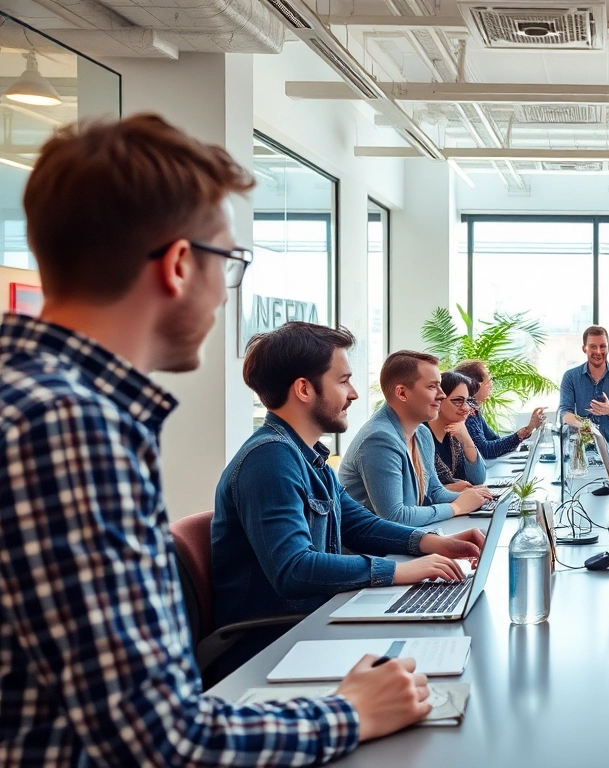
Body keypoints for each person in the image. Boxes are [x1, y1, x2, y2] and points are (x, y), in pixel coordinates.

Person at [0, 114, 430, 765]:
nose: (226, 296)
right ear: (178, 264)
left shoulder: (42, 402)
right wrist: (347, 714)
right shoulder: (69, 427)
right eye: (228, 263)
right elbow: (159, 739)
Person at [213, 324, 488, 662]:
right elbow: (294, 568)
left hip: (317, 619)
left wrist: (433, 543)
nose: (354, 393)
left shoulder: (307, 455)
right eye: (343, 381)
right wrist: (400, 572)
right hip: (276, 644)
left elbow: (359, 524)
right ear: (303, 389)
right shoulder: (270, 458)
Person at [339, 351, 493, 526]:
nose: (442, 395)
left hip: (403, 542)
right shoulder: (378, 440)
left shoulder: (421, 433)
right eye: (432, 387)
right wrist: (456, 507)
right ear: (402, 393)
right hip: (373, 550)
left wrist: (477, 497)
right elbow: (394, 517)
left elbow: (435, 492)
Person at [454, 358, 546, 459]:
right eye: (488, 380)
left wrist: (528, 429)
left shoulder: (474, 409)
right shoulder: (466, 413)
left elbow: (494, 439)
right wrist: (524, 432)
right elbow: (486, 451)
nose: (491, 385)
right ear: (475, 384)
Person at [559, 325, 609, 444]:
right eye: (593, 346)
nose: (598, 351)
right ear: (584, 348)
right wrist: (585, 427)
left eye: (603, 346)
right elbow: (564, 413)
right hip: (585, 445)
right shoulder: (570, 377)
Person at [427, 370, 488, 487]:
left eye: (467, 401)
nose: (466, 408)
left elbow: (478, 478)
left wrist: (466, 438)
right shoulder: (420, 435)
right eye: (458, 401)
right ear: (438, 399)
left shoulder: (453, 435)